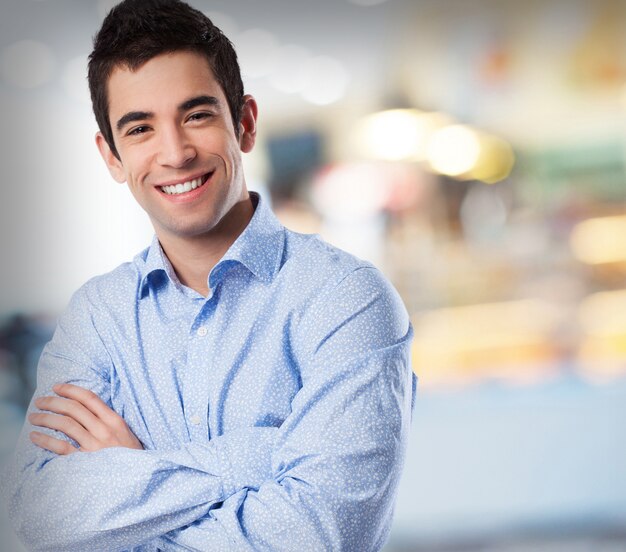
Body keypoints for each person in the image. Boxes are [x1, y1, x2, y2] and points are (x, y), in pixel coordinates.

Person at [4, 0, 416, 550]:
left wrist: (131, 480)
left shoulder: (346, 299)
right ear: (112, 157)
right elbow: (39, 516)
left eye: (196, 115)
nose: (174, 153)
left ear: (243, 123)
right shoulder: (97, 318)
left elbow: (318, 534)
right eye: (140, 128)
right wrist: (254, 455)